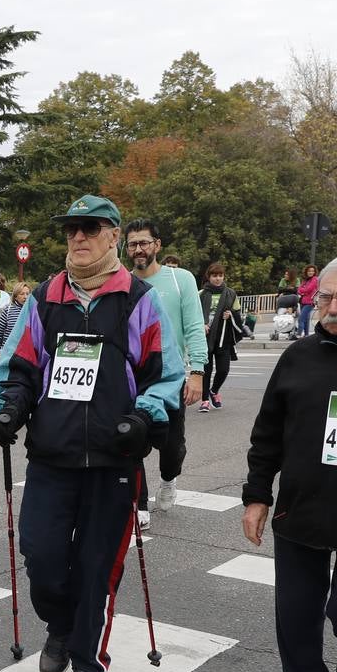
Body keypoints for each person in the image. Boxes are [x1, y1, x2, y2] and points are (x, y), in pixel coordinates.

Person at [0, 194, 183, 672]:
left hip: (113, 460)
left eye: (90, 228)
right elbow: (19, 366)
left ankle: (87, 661)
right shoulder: (45, 297)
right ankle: (59, 623)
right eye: (72, 229)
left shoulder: (140, 299)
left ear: (113, 235)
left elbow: (166, 375)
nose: (78, 237)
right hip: (52, 456)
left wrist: (142, 417)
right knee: (43, 555)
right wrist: (9, 405)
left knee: (97, 566)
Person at [242, 254, 337, 672]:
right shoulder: (297, 355)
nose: (334, 307)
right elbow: (267, 433)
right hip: (301, 512)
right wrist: (257, 496)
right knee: (295, 617)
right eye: (325, 297)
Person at [125, 218, 208, 526]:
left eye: (144, 242)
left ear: (157, 245)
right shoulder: (123, 281)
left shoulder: (181, 279)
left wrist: (196, 371)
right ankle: (140, 503)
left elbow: (194, 327)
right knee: (131, 438)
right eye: (132, 244)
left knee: (171, 446)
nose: (138, 250)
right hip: (133, 377)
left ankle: (169, 478)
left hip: (170, 377)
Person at [199, 263, 244, 413]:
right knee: (205, 370)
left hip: (224, 337)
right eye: (214, 276)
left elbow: (238, 315)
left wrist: (230, 315)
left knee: (223, 369)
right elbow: (193, 314)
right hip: (205, 337)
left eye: (220, 275)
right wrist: (201, 324)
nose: (217, 279)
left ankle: (214, 390)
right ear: (209, 277)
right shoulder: (201, 294)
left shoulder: (231, 294)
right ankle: (205, 400)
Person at [0, 282, 29, 355]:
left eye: (27, 294)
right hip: (8, 354)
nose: (25, 297)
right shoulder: (8, 310)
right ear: (15, 296)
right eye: (22, 294)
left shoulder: (33, 311)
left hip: (26, 354)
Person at [298, 263, 319, 337]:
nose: (311, 272)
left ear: (314, 272)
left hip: (310, 302)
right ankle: (306, 335)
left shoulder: (315, 279)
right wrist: (304, 291)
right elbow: (299, 290)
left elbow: (309, 289)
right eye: (309, 271)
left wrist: (303, 291)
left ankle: (299, 334)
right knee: (306, 320)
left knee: (301, 319)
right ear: (306, 272)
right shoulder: (305, 280)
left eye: (312, 271)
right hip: (303, 301)